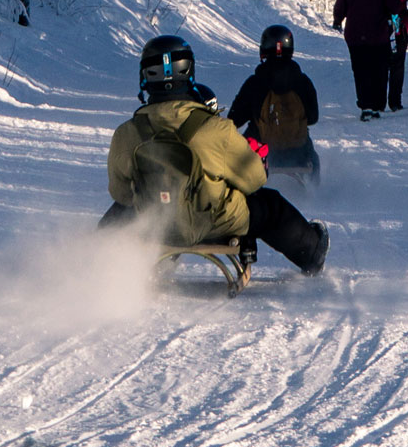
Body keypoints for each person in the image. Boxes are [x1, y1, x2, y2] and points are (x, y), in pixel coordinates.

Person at [100, 34, 329, 273]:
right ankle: (311, 253)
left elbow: (120, 192)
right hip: (216, 221)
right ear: (189, 72)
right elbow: (254, 180)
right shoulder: (215, 129)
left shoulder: (127, 133)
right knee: (270, 205)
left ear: (145, 75)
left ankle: (98, 267)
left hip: (155, 221)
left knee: (117, 213)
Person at [227, 22, 322, 181]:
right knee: (313, 154)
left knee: (242, 143)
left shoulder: (254, 83)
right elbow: (313, 118)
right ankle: (315, 194)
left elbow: (234, 119)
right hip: (299, 152)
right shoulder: (303, 82)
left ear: (264, 49)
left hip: (262, 151)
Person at [332, 0, 399, 121]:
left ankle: (365, 105)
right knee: (379, 69)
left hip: (355, 35)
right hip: (378, 34)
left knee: (360, 70)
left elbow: (340, 5)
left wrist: (337, 20)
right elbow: (395, 5)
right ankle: (377, 105)